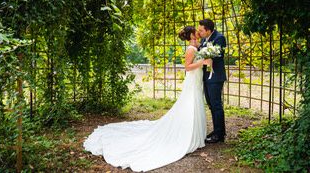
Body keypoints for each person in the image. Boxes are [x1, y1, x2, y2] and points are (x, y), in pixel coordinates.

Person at [83, 26, 211, 172]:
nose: (199, 33)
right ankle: (188, 132)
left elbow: (201, 52)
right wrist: (203, 62)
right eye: (196, 31)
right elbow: (187, 67)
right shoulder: (190, 49)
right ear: (192, 34)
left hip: (197, 80)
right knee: (190, 104)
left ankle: (195, 132)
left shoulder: (196, 46)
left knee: (194, 103)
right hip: (192, 80)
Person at [197, 19, 227, 143]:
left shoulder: (219, 38)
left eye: (201, 30)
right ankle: (216, 130)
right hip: (206, 76)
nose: (199, 32)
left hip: (215, 77)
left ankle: (220, 134)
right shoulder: (204, 39)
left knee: (216, 105)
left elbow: (218, 54)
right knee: (211, 104)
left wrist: (206, 55)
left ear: (208, 30)